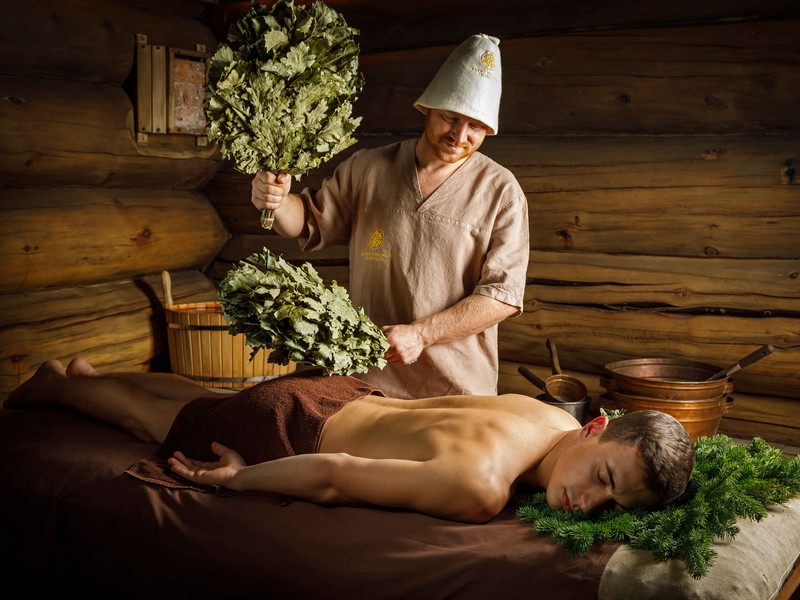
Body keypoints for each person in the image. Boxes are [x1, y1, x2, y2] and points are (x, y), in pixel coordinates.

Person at [7, 359, 696, 524]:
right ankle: (52, 388)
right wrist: (239, 479)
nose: (587, 504)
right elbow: (335, 474)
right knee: (147, 420)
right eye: (603, 479)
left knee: (202, 397)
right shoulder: (480, 486)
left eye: (612, 507)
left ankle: (89, 371)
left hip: (347, 392)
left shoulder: (552, 419)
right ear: (597, 429)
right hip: (294, 427)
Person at [250, 34, 530, 399]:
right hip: (368, 381)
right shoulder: (368, 167)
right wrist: (277, 200)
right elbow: (308, 222)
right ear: (428, 108)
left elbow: (502, 296)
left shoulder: (502, 191)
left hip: (458, 389)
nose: (459, 135)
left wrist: (422, 334)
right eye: (450, 118)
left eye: (475, 126)